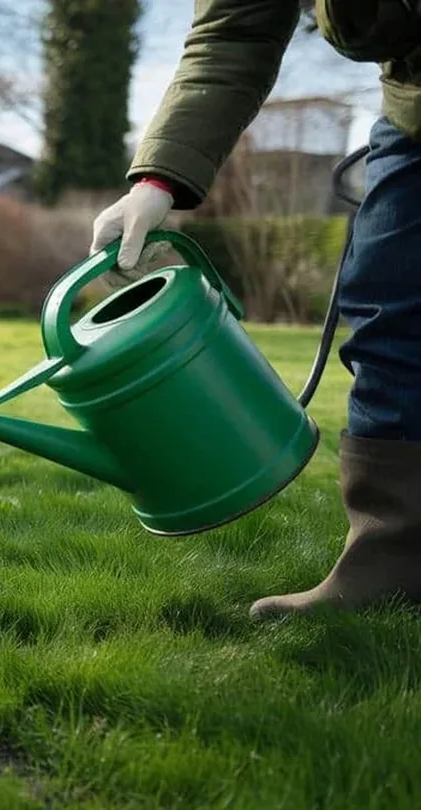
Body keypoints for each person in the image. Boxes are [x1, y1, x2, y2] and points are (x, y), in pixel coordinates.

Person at [90, 0, 421, 620]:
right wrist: (155, 183)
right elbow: (232, 29)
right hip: (415, 104)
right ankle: (394, 560)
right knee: (387, 306)